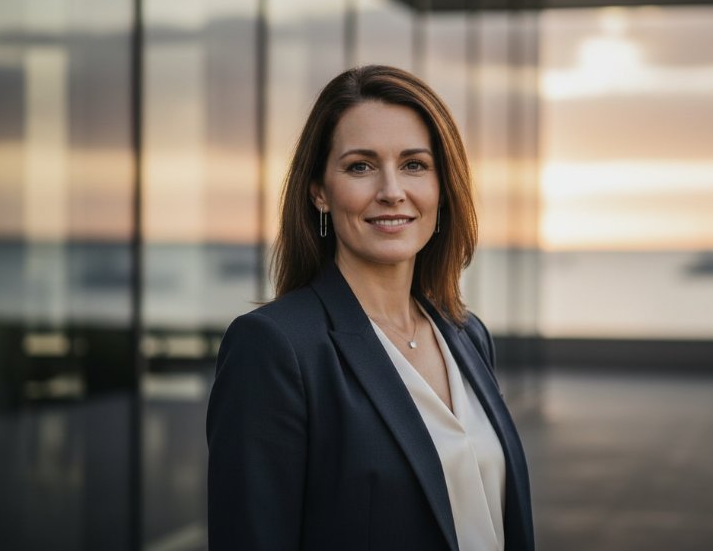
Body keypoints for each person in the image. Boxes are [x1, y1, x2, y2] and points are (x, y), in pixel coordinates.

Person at [206, 65, 534, 551]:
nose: (391, 191)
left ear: (443, 190)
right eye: (360, 166)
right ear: (319, 191)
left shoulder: (467, 335)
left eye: (415, 165)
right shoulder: (275, 348)